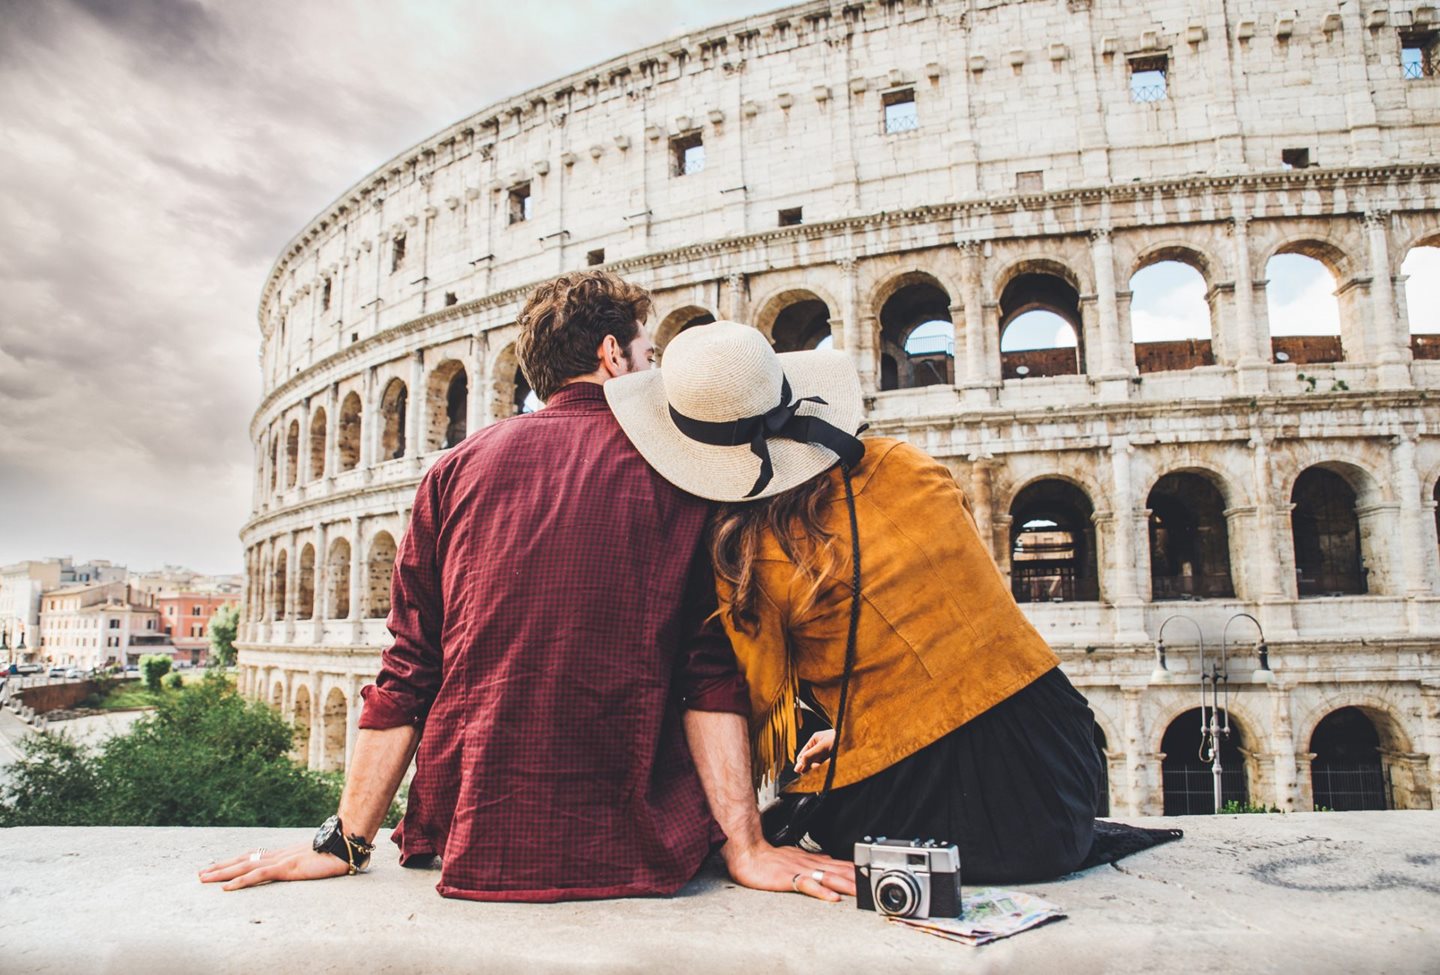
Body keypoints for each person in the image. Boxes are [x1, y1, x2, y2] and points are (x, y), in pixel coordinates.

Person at [200, 272, 853, 902]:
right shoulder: (682, 471)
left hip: (471, 833)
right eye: (647, 352)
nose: (651, 366)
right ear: (613, 356)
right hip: (638, 839)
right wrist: (746, 844)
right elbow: (707, 674)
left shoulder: (451, 471)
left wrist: (344, 840)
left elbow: (407, 669)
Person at [605, 320, 1104, 883]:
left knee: (805, 799)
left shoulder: (750, 551)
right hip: (1059, 773)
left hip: (932, 813)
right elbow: (941, 625)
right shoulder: (906, 463)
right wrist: (867, 724)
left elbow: (753, 699)